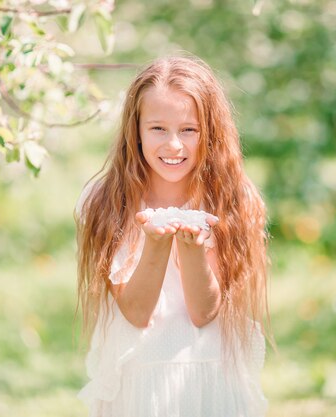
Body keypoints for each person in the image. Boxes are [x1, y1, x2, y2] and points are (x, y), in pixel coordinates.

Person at [74, 55, 271, 417]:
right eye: (158, 129)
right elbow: (135, 312)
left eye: (189, 130)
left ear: (210, 131)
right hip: (139, 383)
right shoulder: (107, 202)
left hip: (211, 375)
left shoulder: (232, 198)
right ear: (136, 130)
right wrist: (156, 242)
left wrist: (192, 247)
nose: (174, 145)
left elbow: (203, 313)